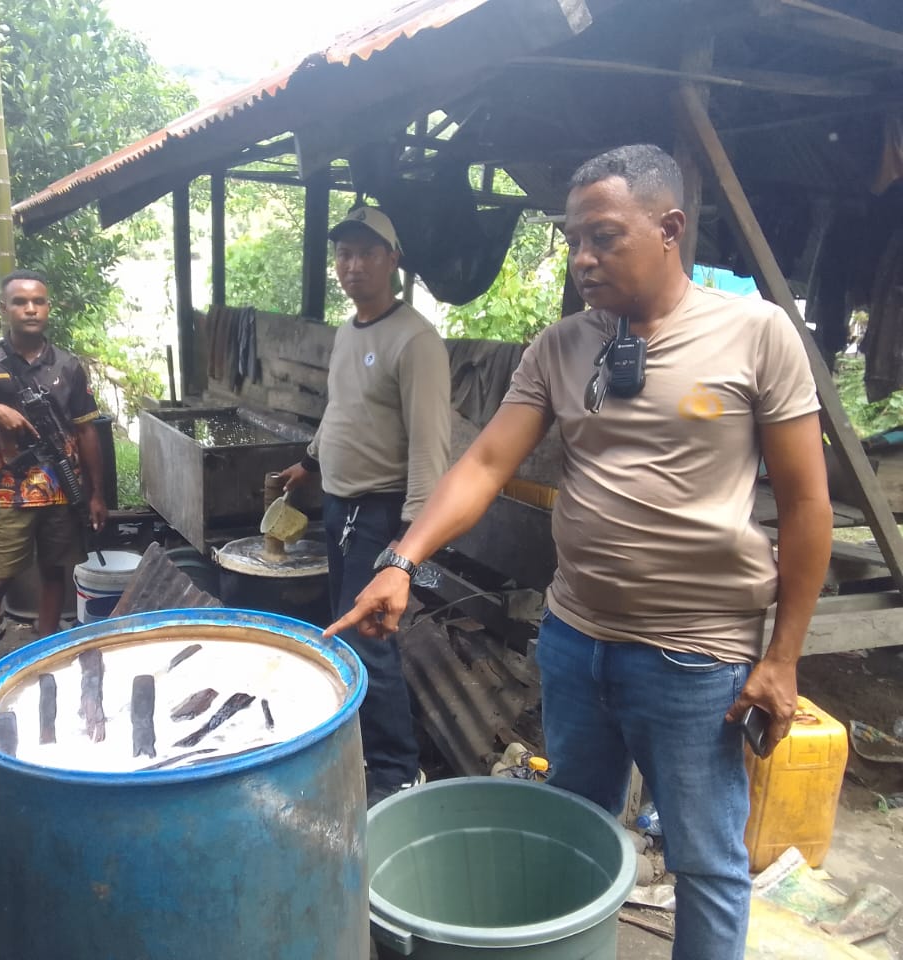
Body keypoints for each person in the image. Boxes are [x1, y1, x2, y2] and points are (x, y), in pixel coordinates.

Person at [329, 145, 832, 958]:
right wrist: (403, 558)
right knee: (570, 832)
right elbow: (487, 462)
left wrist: (783, 658)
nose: (583, 258)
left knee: (706, 859)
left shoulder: (756, 334)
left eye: (603, 237)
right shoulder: (561, 346)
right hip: (575, 641)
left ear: (669, 228)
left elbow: (808, 503)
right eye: (573, 240)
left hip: (696, 659)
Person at [280, 206, 451, 807]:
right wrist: (310, 461)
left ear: (392, 260)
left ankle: (399, 771)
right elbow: (340, 411)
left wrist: (410, 545)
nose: (353, 266)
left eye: (367, 254)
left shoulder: (415, 340)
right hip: (338, 507)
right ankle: (360, 748)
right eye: (344, 254)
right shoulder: (349, 332)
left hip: (383, 517)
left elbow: (433, 442)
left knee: (369, 642)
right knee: (348, 635)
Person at [0, 269, 108, 706]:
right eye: (20, 302)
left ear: (48, 307)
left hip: (63, 489)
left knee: (55, 573)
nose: (30, 308)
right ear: (5, 308)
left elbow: (87, 430)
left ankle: (45, 650)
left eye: (38, 301)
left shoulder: (68, 365)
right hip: (11, 491)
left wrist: (95, 493)